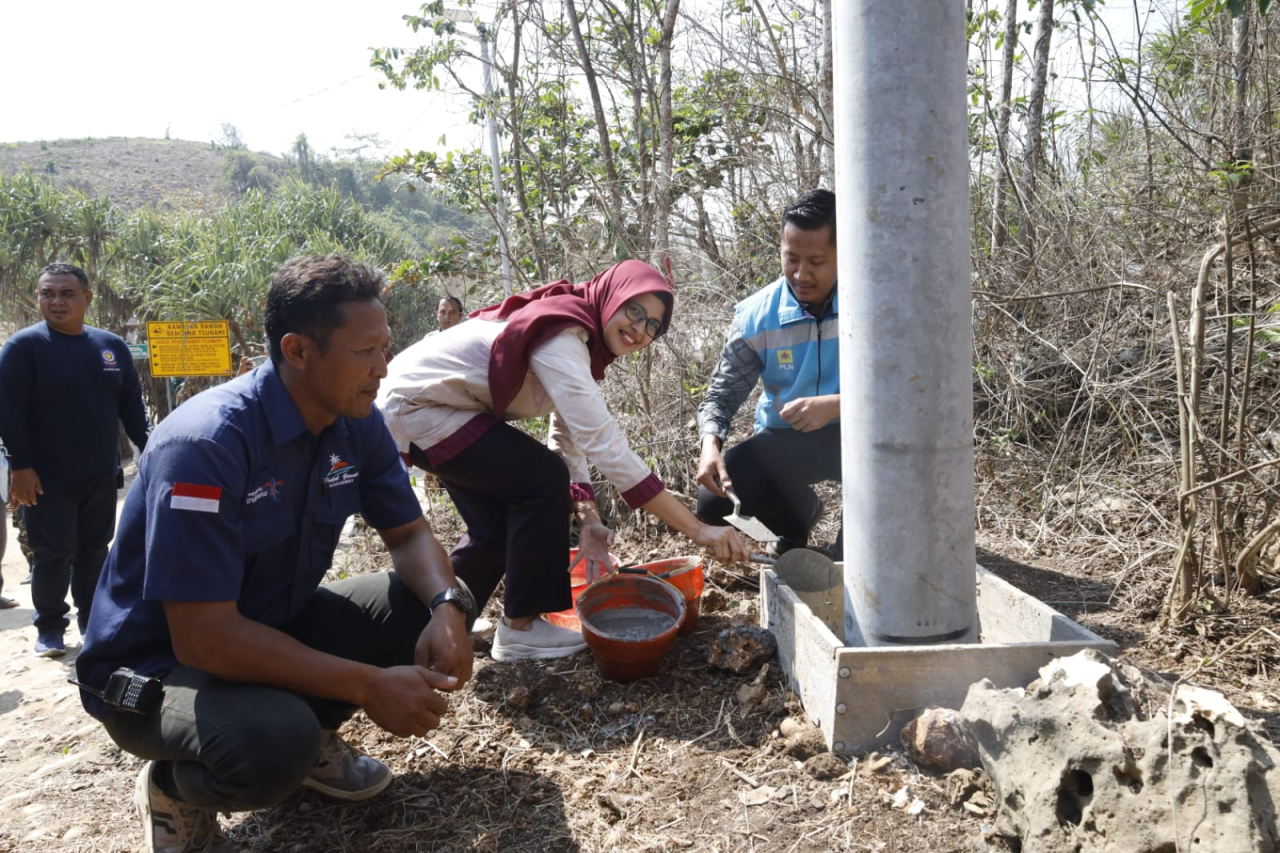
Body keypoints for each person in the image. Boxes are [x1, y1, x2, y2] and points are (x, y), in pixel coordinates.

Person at [75, 254, 475, 853]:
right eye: (365, 351)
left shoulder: (353, 419)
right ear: (298, 351)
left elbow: (412, 535)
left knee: (416, 605)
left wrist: (446, 607)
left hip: (264, 624)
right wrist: (368, 686)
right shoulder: (207, 445)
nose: (383, 368)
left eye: (386, 347)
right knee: (272, 743)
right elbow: (204, 639)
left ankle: (308, 734)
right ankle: (175, 787)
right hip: (155, 667)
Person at [378, 260, 749, 661]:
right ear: (610, 298)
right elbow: (606, 447)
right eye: (634, 310)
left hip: (433, 409)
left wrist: (589, 521)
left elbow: (567, 438)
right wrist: (698, 530)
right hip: (417, 407)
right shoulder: (563, 337)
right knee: (540, 479)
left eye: (653, 325)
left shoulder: (579, 343)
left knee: (495, 527)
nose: (640, 328)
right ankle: (521, 628)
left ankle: (426, 626)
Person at [0, 262, 152, 656]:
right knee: (52, 555)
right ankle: (49, 627)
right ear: (38, 298)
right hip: (45, 478)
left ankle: (93, 622)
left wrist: (151, 452)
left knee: (95, 551)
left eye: (66, 293)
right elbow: (9, 411)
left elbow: (132, 410)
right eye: (47, 293)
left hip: (101, 475)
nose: (56, 301)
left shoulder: (111, 347)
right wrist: (21, 467)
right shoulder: (24, 347)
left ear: (87, 298)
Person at [695, 189, 843, 558]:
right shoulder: (756, 316)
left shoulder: (876, 302)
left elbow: (911, 389)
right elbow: (722, 394)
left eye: (817, 261)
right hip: (786, 438)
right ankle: (796, 522)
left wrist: (841, 404)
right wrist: (710, 444)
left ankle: (849, 549)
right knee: (711, 503)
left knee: (857, 554)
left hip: (862, 431)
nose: (801, 273)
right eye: (791, 258)